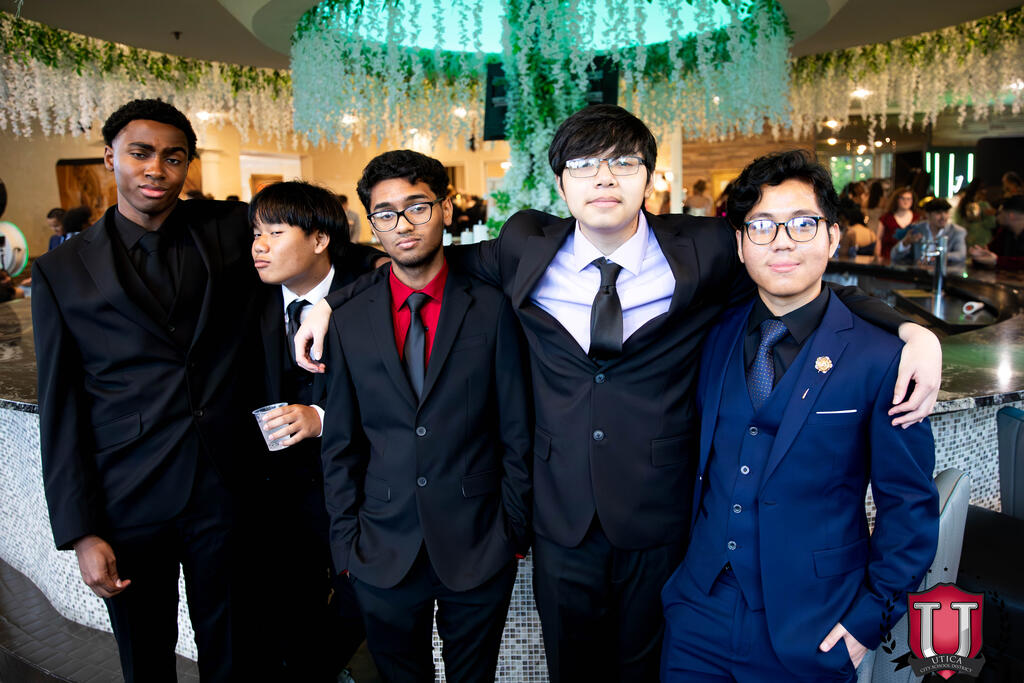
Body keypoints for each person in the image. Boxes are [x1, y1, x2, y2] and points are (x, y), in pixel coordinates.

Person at [297, 105, 942, 682]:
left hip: (659, 514)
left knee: (645, 668)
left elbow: (792, 271)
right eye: (584, 165)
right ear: (561, 185)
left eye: (623, 163)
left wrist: (909, 329)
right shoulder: (524, 245)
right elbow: (428, 264)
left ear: (649, 178)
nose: (603, 179)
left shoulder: (703, 248)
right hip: (560, 514)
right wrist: (332, 303)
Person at [30, 99, 386, 682]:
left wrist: (334, 301)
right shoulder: (61, 270)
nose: (156, 169)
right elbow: (60, 405)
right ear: (110, 157)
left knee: (238, 655)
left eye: (173, 157)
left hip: (229, 491)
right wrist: (81, 531)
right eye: (140, 153)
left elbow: (328, 247)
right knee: (145, 659)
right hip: (128, 497)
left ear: (186, 165)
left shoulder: (227, 228)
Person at [661, 149, 939, 682]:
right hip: (698, 616)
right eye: (762, 225)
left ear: (833, 236)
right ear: (741, 244)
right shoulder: (713, 335)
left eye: (802, 223)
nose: (782, 241)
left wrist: (869, 621)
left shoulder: (883, 358)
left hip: (814, 624)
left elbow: (910, 506)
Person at [321, 150, 531, 682]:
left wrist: (512, 531)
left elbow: (516, 428)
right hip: (381, 546)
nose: (403, 224)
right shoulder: (347, 316)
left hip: (479, 542)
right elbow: (341, 442)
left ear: (446, 208)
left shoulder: (493, 306)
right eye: (385, 213)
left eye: (417, 207)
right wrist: (346, 544)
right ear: (372, 224)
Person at [249, 181, 375, 682]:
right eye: (256, 233)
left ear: (320, 240)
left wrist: (322, 417)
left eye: (275, 233)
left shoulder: (368, 290)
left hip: (361, 489)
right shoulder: (246, 298)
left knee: (361, 599)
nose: (259, 246)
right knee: (284, 609)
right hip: (275, 495)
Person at [890, 198, 967, 265]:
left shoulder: (957, 232)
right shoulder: (916, 229)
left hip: (946, 275)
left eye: (946, 212)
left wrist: (936, 257)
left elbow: (960, 255)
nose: (943, 217)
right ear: (927, 215)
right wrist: (906, 242)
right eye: (938, 213)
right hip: (919, 274)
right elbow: (894, 256)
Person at [969, 195, 1024, 269]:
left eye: (998, 213)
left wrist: (997, 261)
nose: (996, 217)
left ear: (1011, 216)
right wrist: (980, 254)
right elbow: (991, 250)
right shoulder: (1004, 232)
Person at [874, 186, 920, 261]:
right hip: (888, 258)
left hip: (911, 259)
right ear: (896, 200)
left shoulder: (918, 218)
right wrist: (877, 256)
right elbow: (878, 239)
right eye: (902, 198)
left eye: (909, 199)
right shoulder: (886, 218)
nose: (906, 201)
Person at [956, 180, 997, 247]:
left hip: (967, 241)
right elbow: (992, 223)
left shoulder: (963, 203)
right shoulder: (984, 205)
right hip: (982, 240)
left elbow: (958, 222)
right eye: (983, 189)